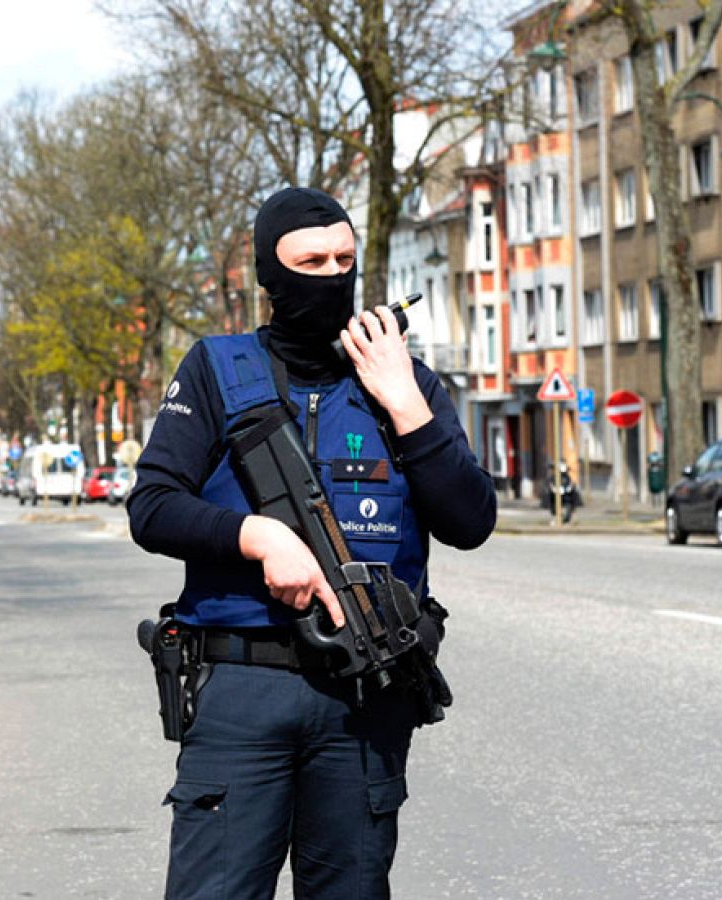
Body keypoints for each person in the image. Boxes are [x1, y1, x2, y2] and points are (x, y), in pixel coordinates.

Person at [128, 187, 496, 899]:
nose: (331, 276)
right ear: (270, 275)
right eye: (311, 262)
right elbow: (152, 506)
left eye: (343, 261)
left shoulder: (405, 383)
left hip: (366, 697)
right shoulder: (215, 369)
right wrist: (255, 536)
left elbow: (470, 521)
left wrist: (405, 402)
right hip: (241, 686)